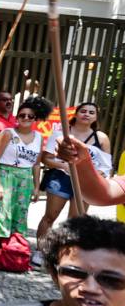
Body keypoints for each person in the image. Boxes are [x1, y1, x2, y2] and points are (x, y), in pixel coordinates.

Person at [0, 97, 52, 262]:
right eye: (22, 115)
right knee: (0, 214)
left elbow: (36, 164)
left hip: (25, 178)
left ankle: (7, 251)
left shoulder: (39, 137)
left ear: (36, 119)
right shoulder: (7, 133)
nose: (26, 118)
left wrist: (36, 186)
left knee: (19, 216)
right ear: (17, 117)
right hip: (5, 176)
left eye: (30, 116)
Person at [37, 102, 113, 240]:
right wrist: (64, 167)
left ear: (96, 118)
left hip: (87, 183)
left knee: (75, 221)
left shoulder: (101, 138)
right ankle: (40, 250)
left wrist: (95, 178)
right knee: (50, 216)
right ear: (76, 114)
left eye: (91, 112)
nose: (86, 114)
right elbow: (45, 159)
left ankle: (64, 253)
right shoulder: (61, 133)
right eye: (83, 111)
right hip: (61, 178)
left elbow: (106, 166)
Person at [57, 138, 125, 206]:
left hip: (88, 181)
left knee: (76, 214)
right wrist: (81, 162)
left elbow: (106, 165)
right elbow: (108, 193)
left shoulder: (101, 137)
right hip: (64, 179)